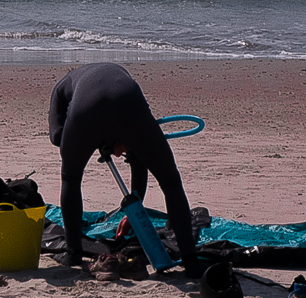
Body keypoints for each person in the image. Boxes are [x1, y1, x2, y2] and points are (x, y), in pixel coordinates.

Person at [48, 62, 200, 272]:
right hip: (128, 104)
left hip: (87, 111)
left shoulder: (67, 86)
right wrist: (106, 141)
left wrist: (133, 215)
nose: (120, 154)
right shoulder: (64, 88)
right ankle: (191, 261)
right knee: (171, 181)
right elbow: (139, 159)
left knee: (71, 179)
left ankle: (73, 253)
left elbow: (57, 137)